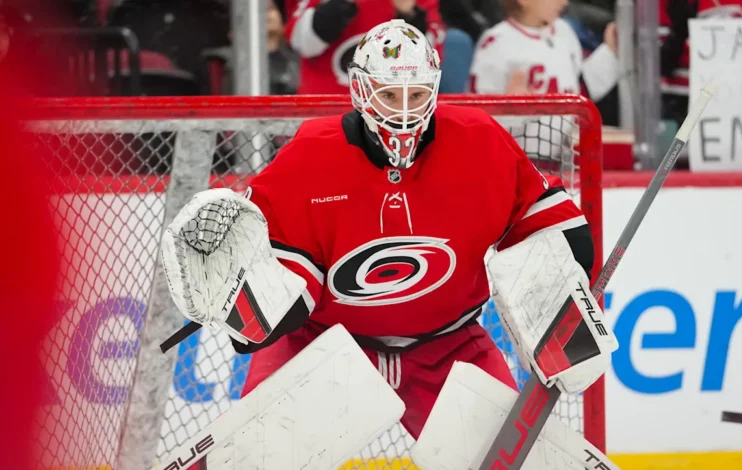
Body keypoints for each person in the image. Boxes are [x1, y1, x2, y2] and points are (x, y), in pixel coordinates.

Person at [161, 19, 614, 444]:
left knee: (513, 457)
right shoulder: (310, 155)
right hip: (323, 345)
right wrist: (252, 310)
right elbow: (288, 282)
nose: (404, 111)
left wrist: (559, 291)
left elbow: (542, 218)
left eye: (416, 95)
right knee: (252, 455)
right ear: (361, 90)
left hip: (448, 348)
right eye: (389, 95)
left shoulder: (478, 139)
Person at [469, 0, 618, 102]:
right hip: (513, 139)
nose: (564, 2)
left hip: (565, 139)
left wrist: (610, 52)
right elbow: (480, 118)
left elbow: (580, 93)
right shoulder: (496, 42)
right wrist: (511, 108)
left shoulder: (564, 32)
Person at [285, 0, 444, 93]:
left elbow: (430, 61)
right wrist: (339, 5)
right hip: (325, 108)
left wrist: (410, 15)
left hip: (391, 112)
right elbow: (301, 44)